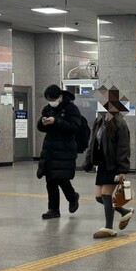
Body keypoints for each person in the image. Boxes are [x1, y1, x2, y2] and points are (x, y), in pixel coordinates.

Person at [84, 97, 134, 238]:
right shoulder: (100, 121)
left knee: (106, 195)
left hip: (113, 165)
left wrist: (123, 169)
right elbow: (93, 142)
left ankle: (108, 228)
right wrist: (89, 161)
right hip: (102, 164)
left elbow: (123, 147)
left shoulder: (119, 123)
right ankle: (124, 212)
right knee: (99, 197)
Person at [37, 85, 83, 220]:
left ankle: (72, 196)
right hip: (50, 148)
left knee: (62, 178)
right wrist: (43, 122)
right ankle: (53, 209)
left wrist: (56, 121)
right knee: (50, 180)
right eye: (48, 99)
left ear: (60, 97)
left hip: (65, 148)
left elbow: (74, 126)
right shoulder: (48, 109)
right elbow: (40, 127)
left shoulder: (71, 109)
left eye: (53, 99)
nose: (51, 101)